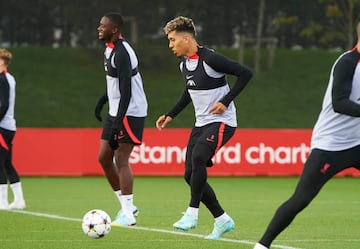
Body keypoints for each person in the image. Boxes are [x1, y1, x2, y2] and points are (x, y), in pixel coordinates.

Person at [253, 22, 360, 249]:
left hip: (357, 142)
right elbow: (340, 103)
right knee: (301, 199)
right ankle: (262, 245)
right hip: (331, 145)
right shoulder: (347, 62)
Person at [156, 16, 253, 240]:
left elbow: (245, 73)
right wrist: (170, 114)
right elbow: (189, 92)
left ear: (186, 38)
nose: (170, 45)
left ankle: (192, 213)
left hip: (223, 122)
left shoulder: (210, 58)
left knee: (199, 157)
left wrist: (226, 101)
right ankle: (222, 220)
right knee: (190, 175)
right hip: (201, 124)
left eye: (172, 40)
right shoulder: (184, 64)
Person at [95, 12, 147, 226]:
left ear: (114, 29)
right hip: (116, 111)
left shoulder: (122, 53)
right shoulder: (109, 49)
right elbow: (117, 84)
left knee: (121, 159)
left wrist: (118, 122)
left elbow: (127, 92)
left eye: (103, 25)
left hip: (130, 112)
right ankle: (127, 208)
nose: (99, 28)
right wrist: (104, 99)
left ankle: (128, 214)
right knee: (103, 158)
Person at [0, 48, 26, 210]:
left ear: (2, 61)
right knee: (7, 163)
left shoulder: (3, 79)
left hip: (2, 126)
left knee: (0, 164)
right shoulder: (9, 78)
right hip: (9, 126)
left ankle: (2, 202)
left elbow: (4, 104)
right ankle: (19, 200)